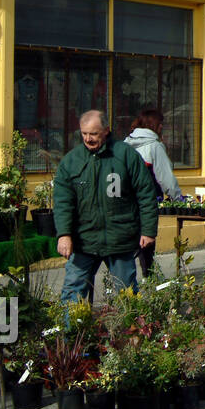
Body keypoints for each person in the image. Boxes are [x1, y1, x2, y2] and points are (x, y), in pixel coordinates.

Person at [54, 110, 159, 302]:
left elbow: (146, 194)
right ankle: (68, 332)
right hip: (83, 240)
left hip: (120, 239)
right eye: (84, 133)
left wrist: (148, 231)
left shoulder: (126, 156)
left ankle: (130, 331)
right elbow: (62, 202)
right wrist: (64, 235)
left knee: (126, 296)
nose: (88, 138)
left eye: (93, 134)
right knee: (72, 293)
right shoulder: (71, 162)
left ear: (106, 130)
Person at [124, 108, 183, 277]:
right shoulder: (155, 146)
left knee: (129, 241)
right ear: (156, 125)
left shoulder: (125, 143)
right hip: (147, 200)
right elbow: (165, 178)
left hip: (125, 200)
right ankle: (148, 278)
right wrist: (177, 199)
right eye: (161, 124)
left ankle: (126, 279)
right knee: (147, 239)